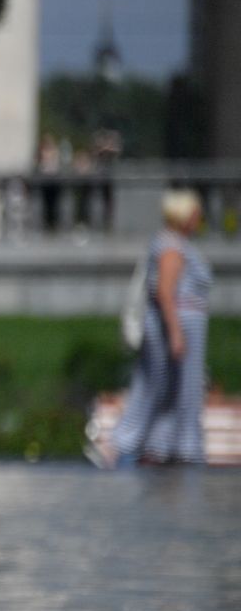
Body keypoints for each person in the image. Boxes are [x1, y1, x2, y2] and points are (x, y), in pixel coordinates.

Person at [111, 190, 213, 465]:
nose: (198, 218)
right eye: (194, 213)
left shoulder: (176, 244)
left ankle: (167, 444)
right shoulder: (171, 246)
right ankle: (147, 444)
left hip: (179, 326)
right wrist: (176, 333)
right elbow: (166, 292)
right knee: (160, 386)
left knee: (175, 388)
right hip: (174, 327)